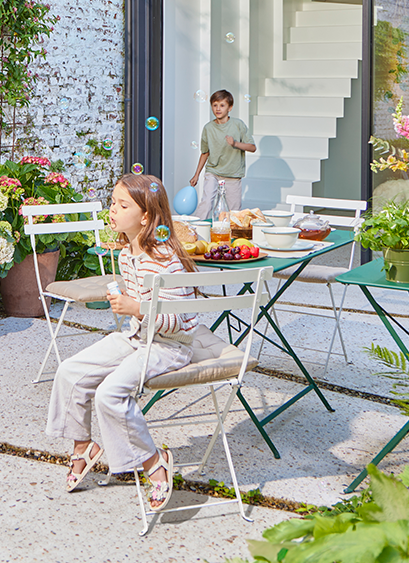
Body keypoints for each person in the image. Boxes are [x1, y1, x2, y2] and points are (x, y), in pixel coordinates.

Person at [46, 173, 198, 511]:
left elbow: (180, 323)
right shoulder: (127, 252)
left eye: (122, 205)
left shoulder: (165, 260)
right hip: (135, 337)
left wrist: (138, 309)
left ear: (145, 216)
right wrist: (130, 306)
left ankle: (154, 462)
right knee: (69, 371)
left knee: (109, 393)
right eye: (113, 203)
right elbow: (134, 307)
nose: (112, 210)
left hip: (168, 346)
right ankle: (83, 447)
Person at [190, 89, 256, 218]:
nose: (218, 109)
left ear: (230, 107)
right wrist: (196, 174)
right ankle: (196, 230)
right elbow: (205, 153)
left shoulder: (238, 125)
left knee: (234, 210)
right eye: (215, 105)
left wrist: (235, 144)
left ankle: (233, 235)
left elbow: (252, 147)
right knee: (207, 202)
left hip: (233, 174)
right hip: (213, 172)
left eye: (222, 105)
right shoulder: (208, 128)